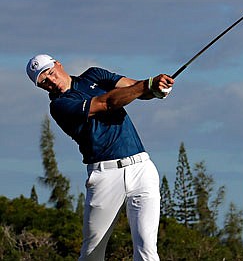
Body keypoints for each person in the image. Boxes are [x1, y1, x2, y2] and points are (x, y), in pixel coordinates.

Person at [26, 54, 174, 261]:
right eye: (43, 82)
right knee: (92, 253)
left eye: (50, 73)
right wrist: (148, 85)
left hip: (142, 168)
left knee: (147, 250)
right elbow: (107, 103)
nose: (51, 81)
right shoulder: (60, 106)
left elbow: (136, 88)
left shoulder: (94, 75)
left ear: (58, 64)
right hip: (105, 176)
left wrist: (157, 89)